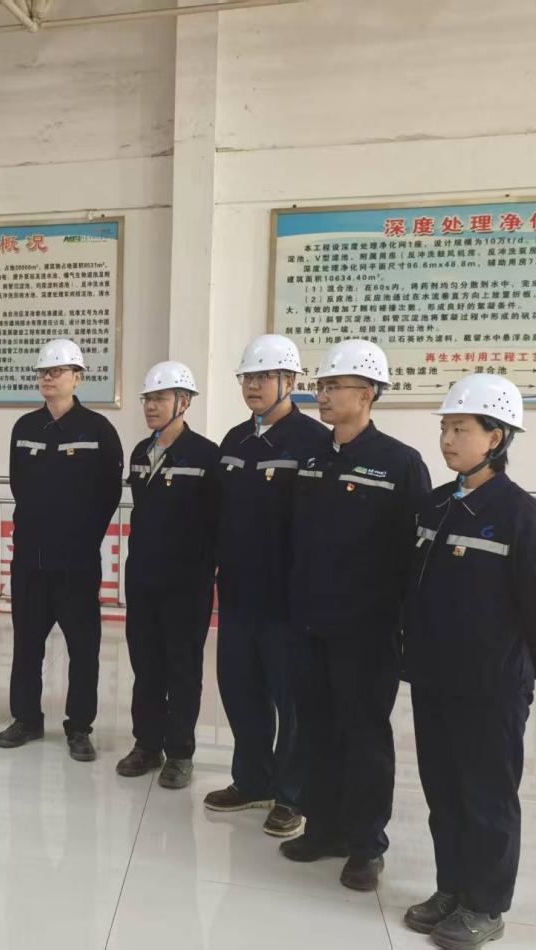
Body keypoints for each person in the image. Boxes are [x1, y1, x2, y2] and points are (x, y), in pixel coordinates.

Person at [402, 373, 536, 949]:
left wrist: (510, 659)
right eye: (445, 428)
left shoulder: (521, 515)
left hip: (491, 684)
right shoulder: (435, 506)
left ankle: (486, 904)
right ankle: (451, 888)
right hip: (434, 676)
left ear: (496, 437)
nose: (448, 440)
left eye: (461, 429)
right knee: (444, 789)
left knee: (487, 795)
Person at [284, 338, 430, 891]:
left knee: (364, 734)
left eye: (333, 387)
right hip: (310, 622)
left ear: (367, 393)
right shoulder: (312, 459)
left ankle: (366, 845)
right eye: (319, 386)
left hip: (367, 631)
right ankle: (323, 828)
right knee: (315, 727)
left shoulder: (400, 463)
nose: (321, 395)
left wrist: (404, 626)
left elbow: (413, 555)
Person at [204, 334, 328, 836]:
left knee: (290, 700)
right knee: (240, 690)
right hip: (237, 593)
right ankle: (251, 780)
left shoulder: (313, 442)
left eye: (263, 377)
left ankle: (291, 794)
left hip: (287, 600)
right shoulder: (235, 440)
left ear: (289, 381)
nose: (253, 386)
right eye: (247, 377)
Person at [0, 338, 124, 762]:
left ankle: (80, 727)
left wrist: (82, 537)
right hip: (30, 561)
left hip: (76, 563)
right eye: (43, 372)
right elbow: (20, 485)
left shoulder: (98, 430)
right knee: (26, 646)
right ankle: (26, 719)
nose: (48, 378)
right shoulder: (25, 428)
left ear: (77, 377)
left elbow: (108, 494)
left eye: (57, 371)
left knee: (83, 649)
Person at [115, 361, 219, 789]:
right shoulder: (141, 452)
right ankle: (146, 744)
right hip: (143, 577)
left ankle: (179, 752)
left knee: (182, 666)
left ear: (184, 402)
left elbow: (215, 523)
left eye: (160, 398)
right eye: (147, 399)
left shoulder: (206, 455)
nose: (151, 406)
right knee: (145, 664)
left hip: (187, 582)